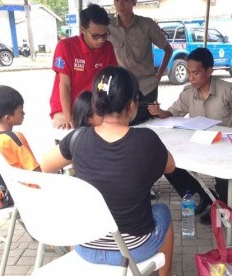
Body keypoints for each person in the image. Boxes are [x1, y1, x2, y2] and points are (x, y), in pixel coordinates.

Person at [41, 66, 174, 276]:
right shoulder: (147, 140)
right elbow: (171, 167)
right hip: (132, 251)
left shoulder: (77, 138)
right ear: (132, 105)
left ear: (95, 103)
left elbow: (45, 166)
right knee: (163, 212)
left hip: (83, 245)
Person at [148, 47, 232, 224]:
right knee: (167, 162)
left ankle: (220, 209)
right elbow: (173, 114)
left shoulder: (228, 90)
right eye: (188, 72)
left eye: (195, 73)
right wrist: (159, 112)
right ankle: (203, 195)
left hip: (225, 146)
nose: (191, 77)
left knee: (223, 177)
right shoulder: (188, 92)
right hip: (199, 143)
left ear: (209, 71)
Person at [50, 4, 118, 129]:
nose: (100, 40)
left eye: (104, 35)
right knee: (67, 139)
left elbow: (112, 81)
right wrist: (68, 117)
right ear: (82, 29)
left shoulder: (108, 48)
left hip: (93, 107)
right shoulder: (65, 46)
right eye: (95, 36)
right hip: (65, 106)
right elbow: (64, 84)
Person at [108, 0, 173, 125]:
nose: (120, 5)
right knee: (124, 126)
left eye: (125, 1)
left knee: (150, 124)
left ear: (134, 2)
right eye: (117, 1)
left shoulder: (147, 25)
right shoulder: (108, 27)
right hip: (122, 88)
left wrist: (159, 74)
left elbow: (168, 50)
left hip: (147, 87)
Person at [0, 85, 40, 172]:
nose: (24, 113)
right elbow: (34, 170)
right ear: (8, 118)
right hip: (25, 183)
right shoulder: (15, 138)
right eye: (21, 111)